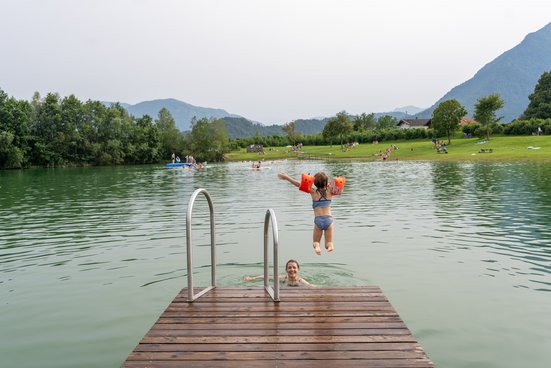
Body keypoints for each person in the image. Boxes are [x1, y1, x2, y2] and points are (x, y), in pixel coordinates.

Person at [278, 172, 335, 255]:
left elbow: (299, 184)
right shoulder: (330, 191)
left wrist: (287, 177)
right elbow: (336, 184)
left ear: (314, 183)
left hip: (318, 220)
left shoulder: (313, 192)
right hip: (328, 220)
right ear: (326, 182)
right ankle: (330, 246)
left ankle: (317, 247)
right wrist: (328, 184)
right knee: (328, 243)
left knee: (315, 242)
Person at [243, 259, 314, 287]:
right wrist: (253, 278)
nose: (292, 269)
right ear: (286, 270)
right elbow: (266, 276)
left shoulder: (300, 281)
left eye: (294, 267)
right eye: (289, 268)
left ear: (298, 270)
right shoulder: (283, 278)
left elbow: (311, 286)